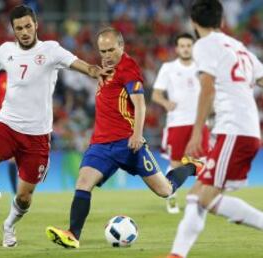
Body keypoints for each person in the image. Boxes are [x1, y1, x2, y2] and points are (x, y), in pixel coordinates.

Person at [0, 5, 108, 248]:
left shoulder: (51, 50)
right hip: (8, 125)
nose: (24, 31)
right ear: (13, 30)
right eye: (19, 28)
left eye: (28, 26)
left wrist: (95, 71)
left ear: (36, 25)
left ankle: (9, 226)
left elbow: (81, 65)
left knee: (24, 198)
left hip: (37, 136)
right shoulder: (5, 51)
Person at [45, 27, 203, 249]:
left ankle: (190, 167)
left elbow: (140, 103)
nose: (107, 55)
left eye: (111, 50)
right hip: (100, 144)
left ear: (121, 46)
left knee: (165, 190)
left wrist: (137, 135)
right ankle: (73, 234)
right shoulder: (104, 71)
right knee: (83, 182)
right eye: (103, 51)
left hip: (128, 144)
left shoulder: (128, 68)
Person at [167, 1, 263, 257]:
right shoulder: (238, 47)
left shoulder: (205, 45)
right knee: (196, 194)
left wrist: (197, 132)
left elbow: (207, 87)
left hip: (235, 130)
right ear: (221, 22)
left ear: (194, 24)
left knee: (206, 197)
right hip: (243, 129)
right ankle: (176, 254)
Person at [152, 33, 210, 214]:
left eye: (188, 45)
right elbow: (156, 94)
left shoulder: (203, 68)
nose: (185, 48)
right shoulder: (168, 68)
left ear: (193, 48)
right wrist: (165, 103)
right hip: (177, 123)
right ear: (177, 49)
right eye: (182, 45)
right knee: (177, 163)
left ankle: (199, 200)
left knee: (203, 163)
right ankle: (171, 196)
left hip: (200, 123)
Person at [0, 72, 17, 194]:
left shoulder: (24, 76)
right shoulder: (0, 80)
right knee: (12, 158)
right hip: (6, 123)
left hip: (24, 122)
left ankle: (19, 191)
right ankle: (15, 191)